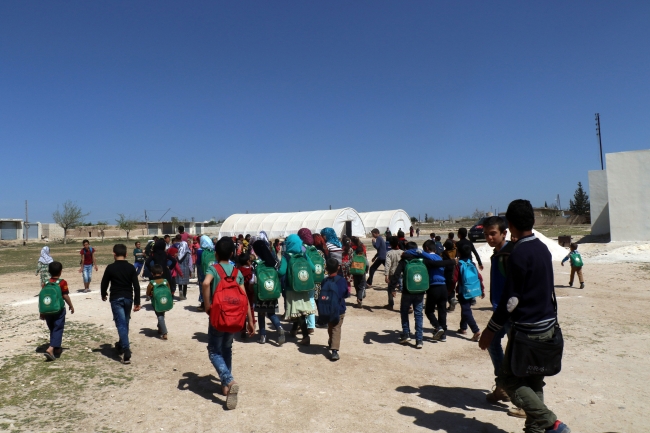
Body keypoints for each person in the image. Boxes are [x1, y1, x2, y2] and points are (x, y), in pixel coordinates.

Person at [479, 199, 571, 433]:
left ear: (508, 225)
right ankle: (536, 429)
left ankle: (550, 421)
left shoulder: (518, 253)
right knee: (533, 379)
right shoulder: (541, 247)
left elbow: (510, 301)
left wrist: (490, 331)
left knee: (510, 381)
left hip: (528, 330)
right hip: (548, 325)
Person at [202, 237, 255, 409]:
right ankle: (225, 387)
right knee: (227, 348)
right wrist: (250, 319)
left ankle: (229, 380)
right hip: (234, 318)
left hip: (218, 318)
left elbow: (205, 283)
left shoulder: (214, 269)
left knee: (214, 351)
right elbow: (244, 297)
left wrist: (207, 305)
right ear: (232, 253)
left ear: (215, 253)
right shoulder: (236, 272)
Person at [481, 216, 519, 410]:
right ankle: (502, 385)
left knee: (518, 355)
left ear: (504, 233)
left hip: (511, 313)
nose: (489, 237)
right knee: (493, 343)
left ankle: (524, 402)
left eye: (493, 233)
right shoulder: (497, 254)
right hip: (499, 311)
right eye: (486, 234)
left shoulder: (510, 255)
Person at [408, 240, 457, 342]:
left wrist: (406, 252)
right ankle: (443, 335)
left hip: (433, 287)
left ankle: (437, 327)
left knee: (429, 310)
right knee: (442, 310)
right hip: (443, 287)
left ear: (426, 248)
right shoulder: (439, 258)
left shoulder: (425, 257)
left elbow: (414, 252)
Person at [101, 244, 141, 364]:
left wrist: (103, 293)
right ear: (126, 254)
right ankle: (121, 343)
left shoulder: (110, 267)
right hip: (128, 298)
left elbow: (104, 283)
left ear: (114, 254)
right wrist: (137, 302)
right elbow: (136, 286)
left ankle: (126, 349)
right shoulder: (130, 268)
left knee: (121, 323)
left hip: (116, 298)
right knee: (125, 322)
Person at [280, 234, 317, 346]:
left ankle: (305, 336)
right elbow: (313, 268)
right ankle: (294, 330)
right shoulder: (304, 254)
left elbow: (281, 271)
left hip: (291, 287)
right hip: (304, 286)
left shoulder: (286, 256)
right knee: (300, 310)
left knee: (298, 311)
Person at [390, 242, 425, 348]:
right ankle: (419, 339)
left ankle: (406, 333)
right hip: (420, 290)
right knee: (418, 314)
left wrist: (392, 288)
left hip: (407, 290)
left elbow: (396, 274)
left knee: (404, 312)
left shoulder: (404, 260)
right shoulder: (422, 259)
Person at [252, 239, 285, 345]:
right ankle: (279, 327)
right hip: (272, 292)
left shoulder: (256, 264)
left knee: (261, 314)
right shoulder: (273, 262)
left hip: (261, 293)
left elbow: (253, 280)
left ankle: (262, 336)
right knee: (271, 313)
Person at [40, 261, 74, 361]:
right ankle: (51, 349)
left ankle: (57, 348)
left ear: (49, 272)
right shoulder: (62, 282)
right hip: (58, 310)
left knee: (52, 328)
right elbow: (65, 295)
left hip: (47, 310)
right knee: (58, 328)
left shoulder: (45, 283)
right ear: (60, 271)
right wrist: (71, 306)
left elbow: (44, 299)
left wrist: (42, 312)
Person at [453, 244, 484, 341]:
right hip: (473, 289)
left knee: (466, 310)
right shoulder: (472, 263)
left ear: (459, 253)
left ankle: (476, 331)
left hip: (464, 291)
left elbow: (454, 279)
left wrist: (450, 290)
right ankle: (463, 328)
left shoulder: (459, 264)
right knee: (465, 308)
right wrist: (482, 290)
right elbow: (479, 277)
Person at [322, 258, 349, 361]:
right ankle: (334, 351)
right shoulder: (341, 280)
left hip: (327, 309)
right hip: (339, 309)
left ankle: (331, 341)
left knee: (331, 326)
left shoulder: (324, 280)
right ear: (338, 267)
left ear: (326, 269)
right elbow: (345, 294)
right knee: (336, 328)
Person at [145, 264, 171, 340]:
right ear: (162, 272)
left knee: (160, 316)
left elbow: (148, 292)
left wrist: (149, 296)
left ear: (152, 273)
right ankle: (160, 328)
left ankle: (164, 332)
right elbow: (169, 290)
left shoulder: (152, 283)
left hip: (156, 302)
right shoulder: (165, 281)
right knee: (162, 314)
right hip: (165, 301)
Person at [237, 252, 256, 339]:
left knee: (241, 311)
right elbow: (252, 282)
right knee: (250, 309)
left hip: (240, 293)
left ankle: (242, 330)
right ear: (248, 261)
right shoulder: (251, 271)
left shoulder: (238, 270)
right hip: (249, 293)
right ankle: (252, 325)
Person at [384, 236, 403, 309]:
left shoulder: (389, 253)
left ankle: (391, 304)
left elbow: (387, 265)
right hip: (401, 273)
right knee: (403, 289)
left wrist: (386, 275)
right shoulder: (402, 252)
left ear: (390, 245)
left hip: (392, 273)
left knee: (390, 288)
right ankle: (409, 305)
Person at [175, 235, 193, 300]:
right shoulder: (188, 254)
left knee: (180, 282)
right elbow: (190, 264)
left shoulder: (178, 254)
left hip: (179, 269)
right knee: (185, 283)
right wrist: (191, 271)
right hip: (186, 270)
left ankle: (180, 291)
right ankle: (184, 295)